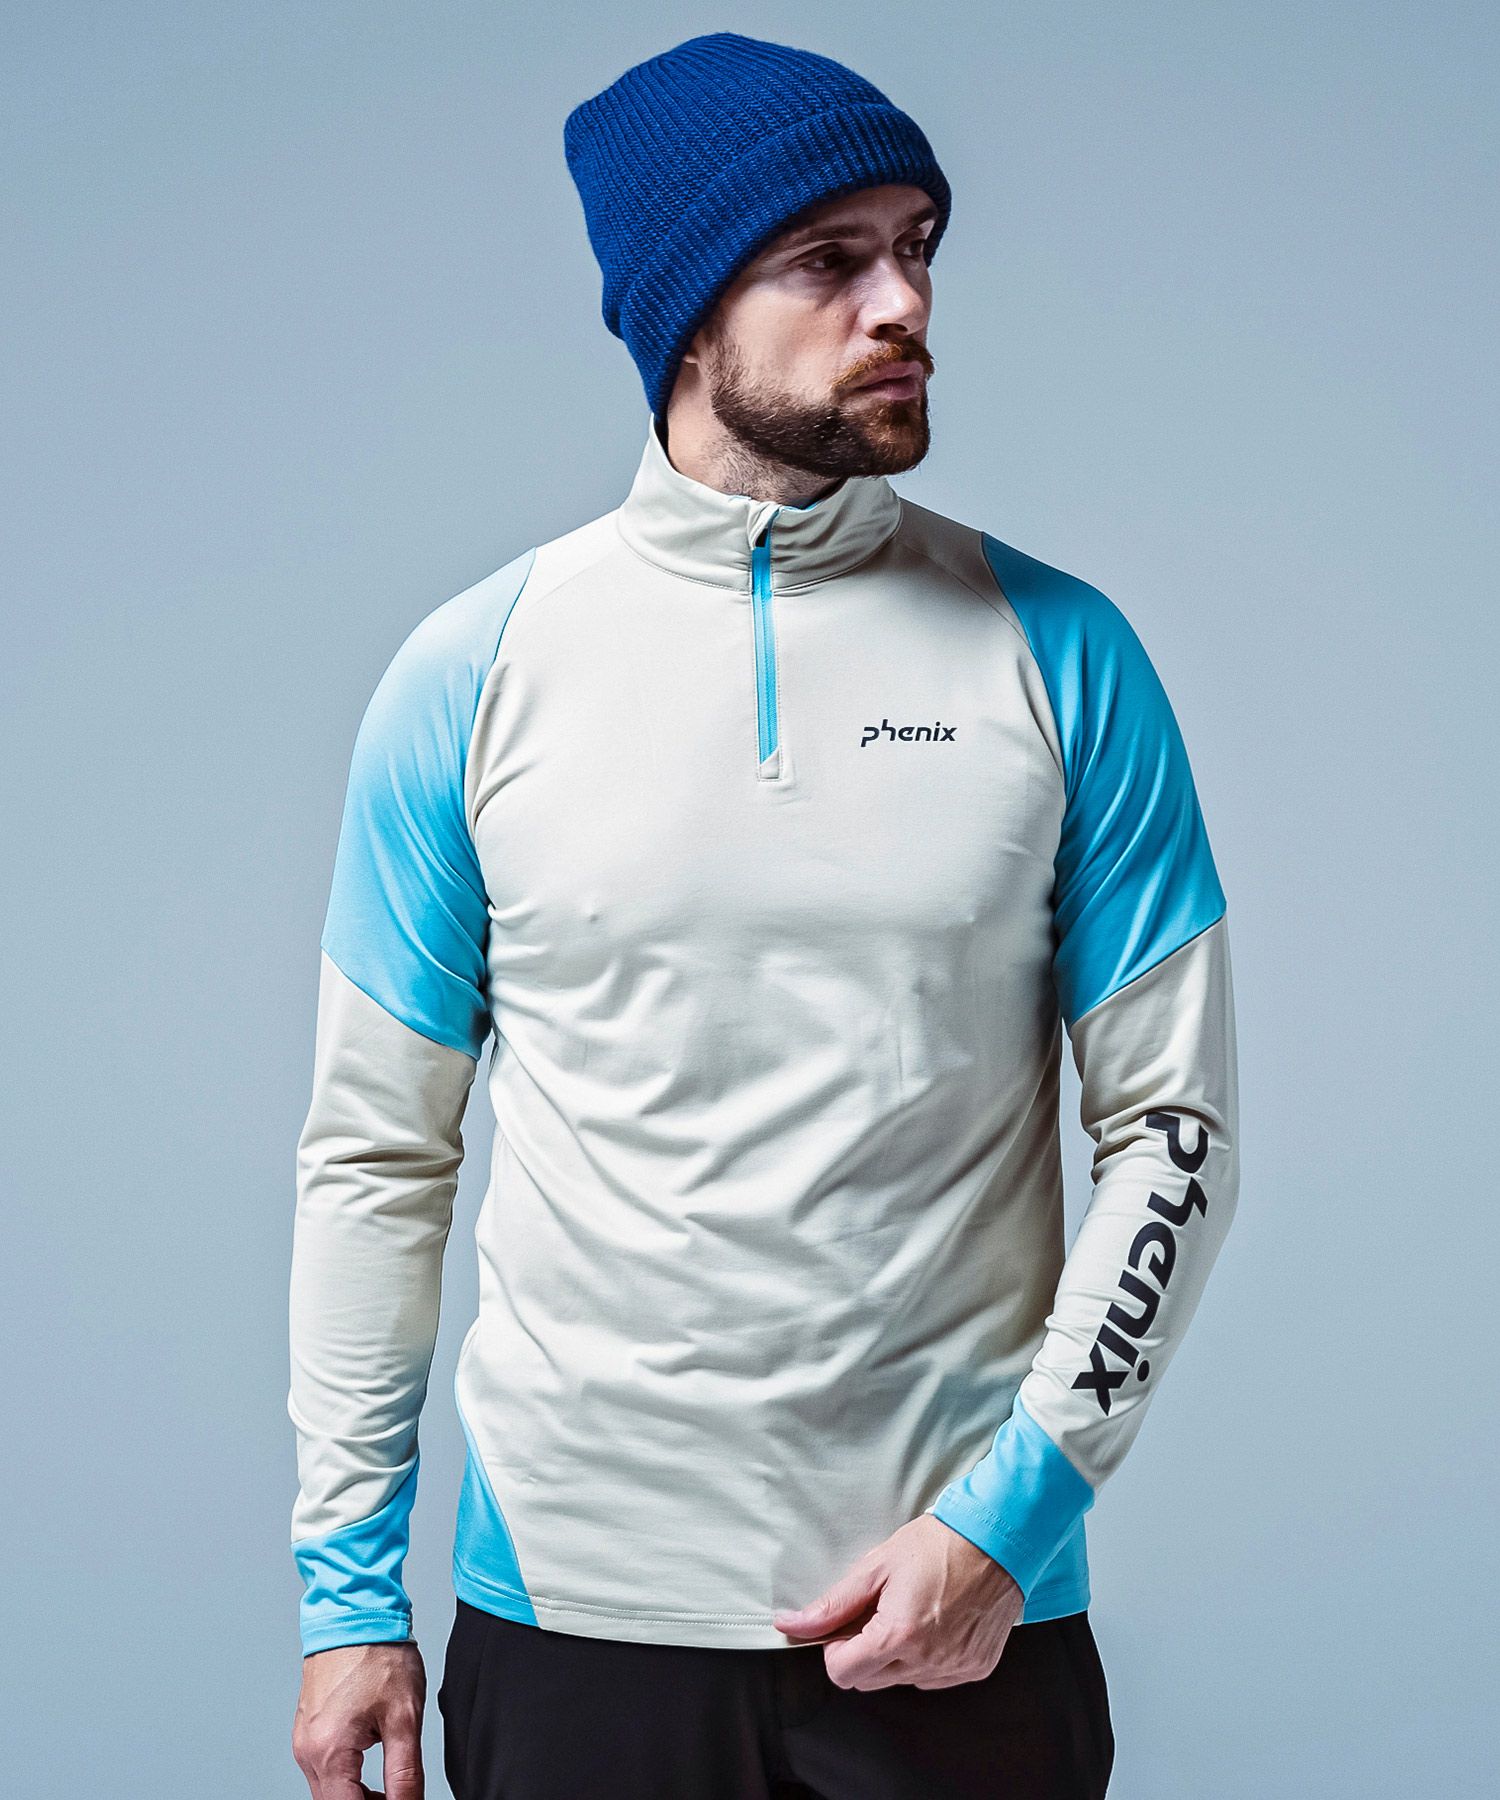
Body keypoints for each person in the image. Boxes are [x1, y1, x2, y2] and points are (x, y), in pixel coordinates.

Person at [288, 30, 1239, 1800]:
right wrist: (347, 1598)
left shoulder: (1064, 653)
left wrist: (1014, 1518)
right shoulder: (472, 675)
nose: (904, 303)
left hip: (962, 1625)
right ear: (686, 313)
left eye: (919, 248)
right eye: (829, 259)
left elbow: (1175, 1132)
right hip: (574, 1626)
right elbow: (375, 1158)